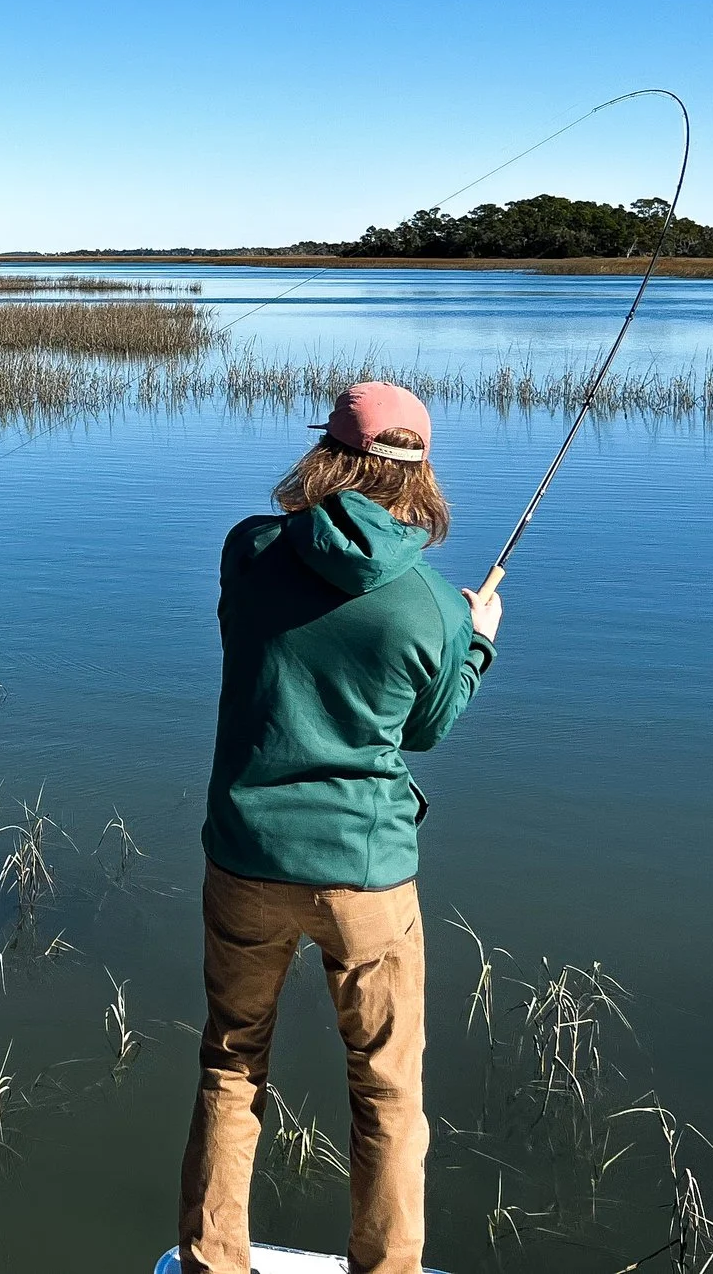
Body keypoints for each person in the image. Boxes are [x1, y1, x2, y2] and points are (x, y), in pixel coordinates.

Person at [175, 381, 501, 1274]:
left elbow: (246, 632)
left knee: (231, 1066)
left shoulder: (247, 551)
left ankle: (213, 1261)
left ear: (326, 454)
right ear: (419, 474)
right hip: (367, 875)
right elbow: (426, 731)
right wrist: (474, 638)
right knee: (388, 1091)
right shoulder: (431, 605)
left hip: (243, 858)